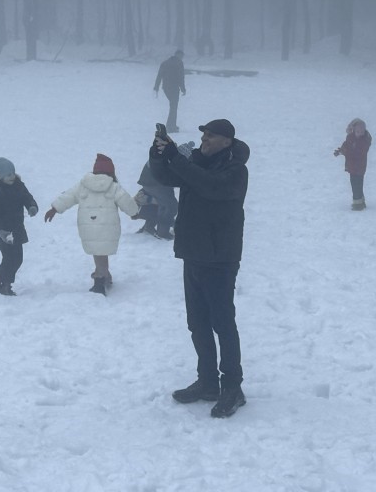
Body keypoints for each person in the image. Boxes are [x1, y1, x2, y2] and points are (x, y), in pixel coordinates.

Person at [150, 118, 250, 419]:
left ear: (226, 142)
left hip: (220, 258)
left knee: (223, 323)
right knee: (198, 323)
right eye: (203, 135)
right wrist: (159, 153)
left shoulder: (235, 170)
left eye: (210, 136)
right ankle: (207, 382)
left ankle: (232, 387)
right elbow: (165, 176)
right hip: (193, 253)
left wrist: (177, 158)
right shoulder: (196, 162)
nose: (204, 140)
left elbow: (211, 187)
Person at [44, 153, 140, 295]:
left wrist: (54, 209)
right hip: (107, 228)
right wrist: (134, 212)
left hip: (88, 227)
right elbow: (126, 201)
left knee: (98, 252)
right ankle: (100, 280)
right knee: (101, 252)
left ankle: (103, 276)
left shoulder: (83, 185)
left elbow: (68, 196)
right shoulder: (114, 187)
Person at [0, 157, 39, 296]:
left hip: (17, 229)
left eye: (13, 173)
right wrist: (0, 231)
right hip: (4, 233)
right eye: (8, 174)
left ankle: (6, 284)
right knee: (9, 259)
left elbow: (27, 197)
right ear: (0, 176)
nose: (12, 176)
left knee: (17, 259)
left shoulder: (18, 185)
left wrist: (32, 206)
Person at [135, 146, 178, 240]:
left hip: (150, 183)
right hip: (155, 184)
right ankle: (163, 233)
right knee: (170, 205)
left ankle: (149, 227)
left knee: (163, 204)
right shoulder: (171, 159)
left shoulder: (165, 155)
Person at [333, 117, 372, 210]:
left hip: (360, 166)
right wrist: (340, 151)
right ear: (353, 130)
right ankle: (361, 201)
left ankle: (358, 204)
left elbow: (359, 151)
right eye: (358, 131)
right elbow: (346, 145)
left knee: (357, 184)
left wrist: (346, 152)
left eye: (362, 131)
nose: (360, 133)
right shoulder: (350, 137)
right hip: (352, 165)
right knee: (354, 183)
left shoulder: (365, 140)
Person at [154, 50, 187, 134]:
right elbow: (181, 77)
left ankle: (172, 125)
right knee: (173, 107)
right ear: (179, 55)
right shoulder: (179, 63)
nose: (182, 58)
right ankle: (170, 127)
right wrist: (183, 89)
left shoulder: (165, 63)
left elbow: (159, 75)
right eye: (181, 56)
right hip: (174, 87)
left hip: (166, 87)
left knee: (173, 106)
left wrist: (156, 87)